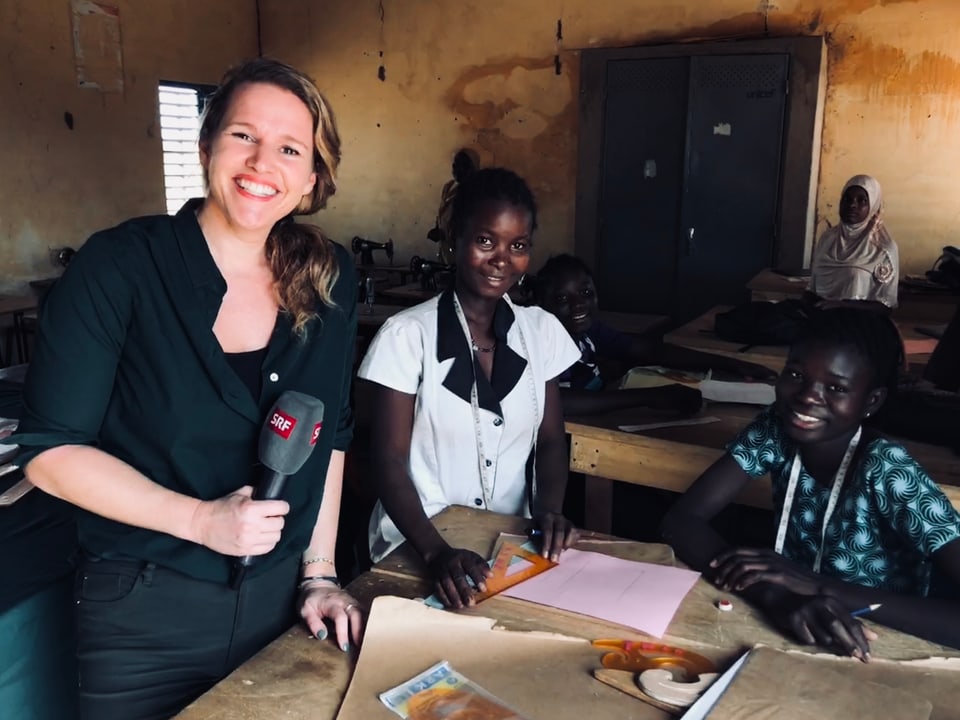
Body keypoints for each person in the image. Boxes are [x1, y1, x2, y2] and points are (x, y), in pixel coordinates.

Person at [12, 58, 363, 720]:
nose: (263, 162)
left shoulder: (329, 279)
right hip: (144, 613)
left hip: (281, 605)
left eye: (290, 148)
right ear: (206, 147)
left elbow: (332, 437)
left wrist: (320, 573)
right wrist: (202, 522)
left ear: (313, 177)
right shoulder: (119, 267)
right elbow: (51, 453)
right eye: (242, 136)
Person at [662, 308, 960, 658]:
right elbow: (681, 521)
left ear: (872, 401)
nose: (807, 396)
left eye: (835, 387)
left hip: (882, 640)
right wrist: (775, 596)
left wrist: (817, 587)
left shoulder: (889, 470)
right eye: (795, 374)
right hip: (803, 625)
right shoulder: (776, 427)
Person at [358, 168, 581, 609]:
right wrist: (435, 551)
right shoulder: (406, 336)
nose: (502, 259)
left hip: (509, 546)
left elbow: (552, 440)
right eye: (486, 241)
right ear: (453, 240)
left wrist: (548, 512)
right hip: (417, 543)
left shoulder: (542, 332)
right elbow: (386, 460)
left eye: (518, 246)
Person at [533, 254, 777, 416]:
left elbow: (649, 349)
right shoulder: (544, 342)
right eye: (562, 298)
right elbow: (560, 403)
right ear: (541, 305)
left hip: (603, 413)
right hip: (567, 438)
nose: (579, 305)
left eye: (586, 292)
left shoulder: (589, 331)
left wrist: (732, 364)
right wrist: (648, 397)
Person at [807, 174, 899, 311]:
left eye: (862, 201)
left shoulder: (883, 248)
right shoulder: (828, 238)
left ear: (873, 205)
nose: (852, 205)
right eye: (847, 199)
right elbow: (812, 290)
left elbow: (886, 305)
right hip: (820, 316)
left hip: (856, 322)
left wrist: (842, 306)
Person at [427, 148, 478, 265]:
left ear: (472, 168)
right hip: (446, 246)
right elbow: (442, 213)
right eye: (455, 165)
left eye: (464, 166)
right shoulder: (448, 187)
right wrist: (437, 229)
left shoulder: (477, 191)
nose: (457, 170)